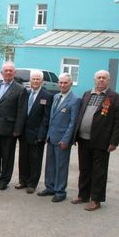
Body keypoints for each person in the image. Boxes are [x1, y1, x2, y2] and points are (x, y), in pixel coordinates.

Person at [72, 70, 119, 211]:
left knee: (99, 172)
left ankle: (96, 199)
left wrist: (114, 142)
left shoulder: (116, 98)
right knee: (84, 168)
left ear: (109, 80)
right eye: (99, 78)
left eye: (104, 78)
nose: (101, 80)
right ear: (95, 80)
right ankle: (83, 195)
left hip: (102, 141)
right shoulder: (87, 94)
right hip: (83, 138)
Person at [38, 73, 80, 202]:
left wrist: (66, 140)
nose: (62, 85)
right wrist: (47, 135)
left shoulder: (75, 100)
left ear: (70, 84)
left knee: (61, 166)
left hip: (62, 140)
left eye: (65, 83)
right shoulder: (56, 96)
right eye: (60, 82)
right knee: (50, 165)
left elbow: (73, 123)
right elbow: (52, 118)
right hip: (51, 137)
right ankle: (50, 187)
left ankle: (60, 191)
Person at [0, 62, 27, 190]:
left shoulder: (20, 89)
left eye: (11, 71)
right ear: (2, 73)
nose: (8, 72)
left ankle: (4, 180)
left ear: (14, 73)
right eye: (6, 70)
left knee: (7, 156)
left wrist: (17, 129)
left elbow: (21, 112)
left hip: (9, 129)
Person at [16, 70, 52, 194]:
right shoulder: (25, 93)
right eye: (33, 79)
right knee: (23, 158)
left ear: (41, 81)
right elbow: (21, 112)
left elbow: (46, 118)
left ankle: (32, 183)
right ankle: (23, 180)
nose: (35, 81)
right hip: (24, 133)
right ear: (30, 81)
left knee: (35, 160)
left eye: (38, 79)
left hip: (37, 134)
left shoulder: (47, 96)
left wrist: (41, 135)